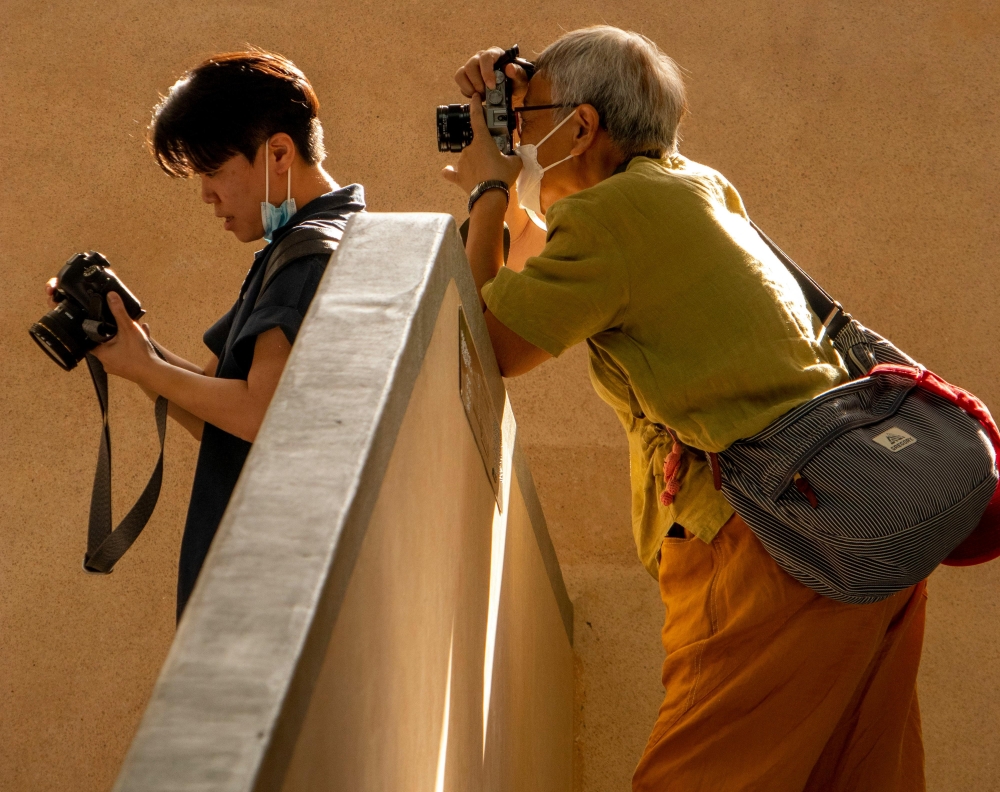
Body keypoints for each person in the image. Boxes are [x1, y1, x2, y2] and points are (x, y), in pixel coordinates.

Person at [444, 26, 926, 791]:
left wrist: (485, 188)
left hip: (770, 544)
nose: (515, 138)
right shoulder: (693, 187)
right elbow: (539, 265)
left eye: (526, 117)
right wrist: (507, 143)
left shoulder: (614, 223)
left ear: (582, 126)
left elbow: (486, 343)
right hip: (858, 513)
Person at [45, 50, 365, 620]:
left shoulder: (309, 252)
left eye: (214, 171)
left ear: (280, 153)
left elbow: (260, 413)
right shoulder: (307, 243)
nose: (206, 195)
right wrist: (132, 347)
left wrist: (148, 367)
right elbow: (219, 413)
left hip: (272, 587)